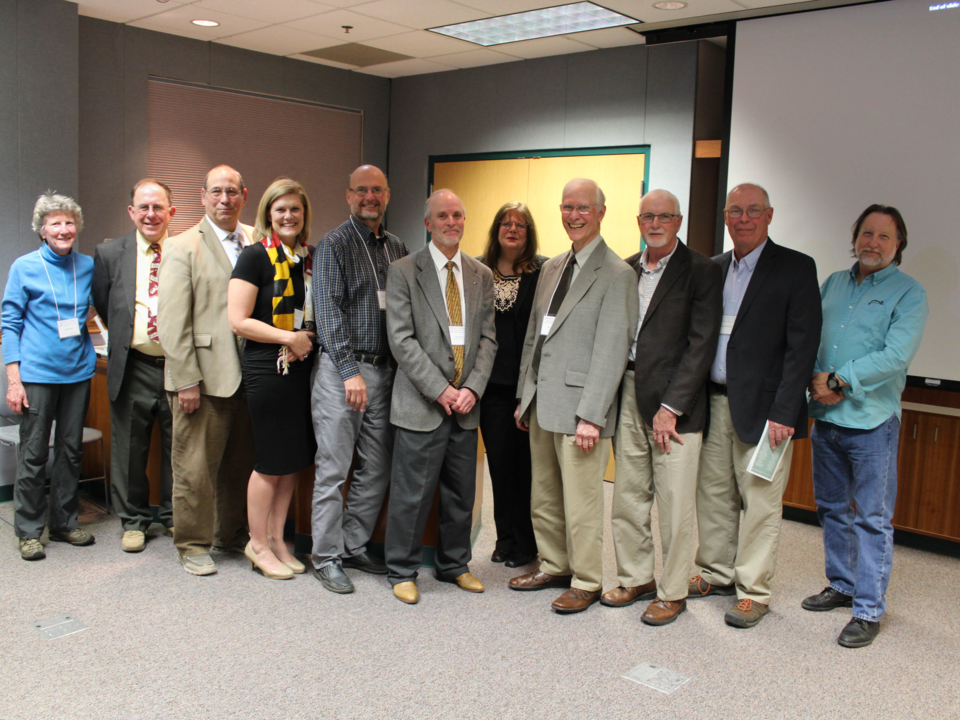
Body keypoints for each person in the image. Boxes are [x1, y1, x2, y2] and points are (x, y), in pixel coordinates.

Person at [689, 183, 821, 628]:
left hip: (767, 414)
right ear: (725, 218)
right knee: (713, 496)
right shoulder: (713, 267)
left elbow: (802, 348)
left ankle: (753, 591)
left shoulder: (796, 268)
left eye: (753, 211)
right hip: (713, 404)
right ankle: (716, 572)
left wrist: (786, 411)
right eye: (735, 211)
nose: (743, 219)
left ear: (769, 216)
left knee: (761, 502)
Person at [509, 179, 638, 614]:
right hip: (543, 402)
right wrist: (525, 395)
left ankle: (585, 579)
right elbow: (535, 338)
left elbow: (612, 350)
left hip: (583, 409)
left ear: (601, 212)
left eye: (583, 207)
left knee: (582, 503)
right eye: (567, 207)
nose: (574, 215)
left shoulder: (618, 274)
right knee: (544, 495)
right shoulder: (551, 267)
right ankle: (555, 564)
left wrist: (593, 415)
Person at [803, 204, 928, 648]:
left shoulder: (909, 293)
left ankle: (869, 609)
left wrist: (839, 379)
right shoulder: (834, 283)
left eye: (884, 237)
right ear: (855, 237)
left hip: (873, 422)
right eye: (866, 234)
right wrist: (818, 380)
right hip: (827, 418)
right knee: (831, 509)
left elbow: (895, 356)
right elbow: (810, 335)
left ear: (899, 246)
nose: (872, 243)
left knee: (872, 519)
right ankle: (841, 584)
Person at [604, 189, 723, 625]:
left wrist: (672, 405)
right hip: (629, 393)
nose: (655, 224)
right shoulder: (627, 269)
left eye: (664, 217)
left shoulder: (702, 270)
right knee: (628, 498)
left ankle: (673, 590)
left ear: (679, 221)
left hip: (676, 404)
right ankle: (636, 578)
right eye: (647, 217)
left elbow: (701, 344)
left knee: (673, 503)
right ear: (638, 221)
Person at [384, 189, 496, 605]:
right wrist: (441, 389)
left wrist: (472, 389)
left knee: (459, 493)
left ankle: (455, 565)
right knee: (411, 493)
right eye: (443, 216)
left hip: (466, 406)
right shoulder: (403, 271)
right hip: (422, 403)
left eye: (458, 215)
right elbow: (401, 340)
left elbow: (488, 338)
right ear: (428, 223)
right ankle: (401, 569)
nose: (452, 222)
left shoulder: (480, 274)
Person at [310, 165, 408, 594]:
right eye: (362, 191)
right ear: (349, 195)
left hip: (385, 371)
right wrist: (350, 371)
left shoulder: (397, 247)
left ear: (387, 196)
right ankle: (326, 557)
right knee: (333, 469)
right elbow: (328, 313)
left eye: (377, 191)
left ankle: (353, 545)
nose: (370, 197)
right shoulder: (333, 244)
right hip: (342, 372)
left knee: (377, 466)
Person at [157, 165, 255, 576]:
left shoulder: (256, 238)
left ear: (244, 195)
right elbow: (172, 323)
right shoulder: (181, 246)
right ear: (202, 196)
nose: (224, 199)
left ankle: (231, 534)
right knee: (195, 468)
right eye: (216, 191)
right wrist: (186, 381)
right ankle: (192, 544)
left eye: (232, 191)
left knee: (239, 465)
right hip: (202, 377)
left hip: (250, 377)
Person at [227, 178, 317, 580]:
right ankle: (257, 543)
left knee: (292, 460)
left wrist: (305, 339)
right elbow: (238, 321)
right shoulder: (254, 257)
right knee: (269, 462)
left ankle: (279, 539)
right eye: (280, 209)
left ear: (304, 215)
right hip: (268, 367)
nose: (288, 216)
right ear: (267, 214)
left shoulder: (307, 259)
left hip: (300, 368)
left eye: (295, 209)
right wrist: (289, 337)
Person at [3, 192, 97, 561]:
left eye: (69, 222)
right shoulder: (24, 267)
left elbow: (92, 309)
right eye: (55, 223)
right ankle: (28, 531)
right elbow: (9, 324)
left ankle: (64, 523)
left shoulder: (87, 265)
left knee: (71, 452)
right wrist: (15, 379)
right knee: (34, 452)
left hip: (78, 372)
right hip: (38, 375)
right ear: (42, 230)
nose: (63, 229)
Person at [92, 179, 176, 552]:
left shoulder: (186, 250)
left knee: (181, 448)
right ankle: (134, 521)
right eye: (143, 207)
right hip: (133, 365)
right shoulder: (110, 253)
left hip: (179, 366)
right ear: (131, 212)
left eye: (158, 207)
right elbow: (106, 304)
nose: (150, 214)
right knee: (129, 449)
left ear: (171, 212)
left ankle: (176, 517)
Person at [478, 201, 546, 570]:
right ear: (496, 230)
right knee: (499, 467)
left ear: (528, 232)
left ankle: (527, 543)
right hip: (489, 387)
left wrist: (529, 390)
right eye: (505, 223)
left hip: (527, 387)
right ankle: (504, 539)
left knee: (528, 468)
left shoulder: (543, 272)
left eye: (520, 224)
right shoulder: (479, 270)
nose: (512, 229)